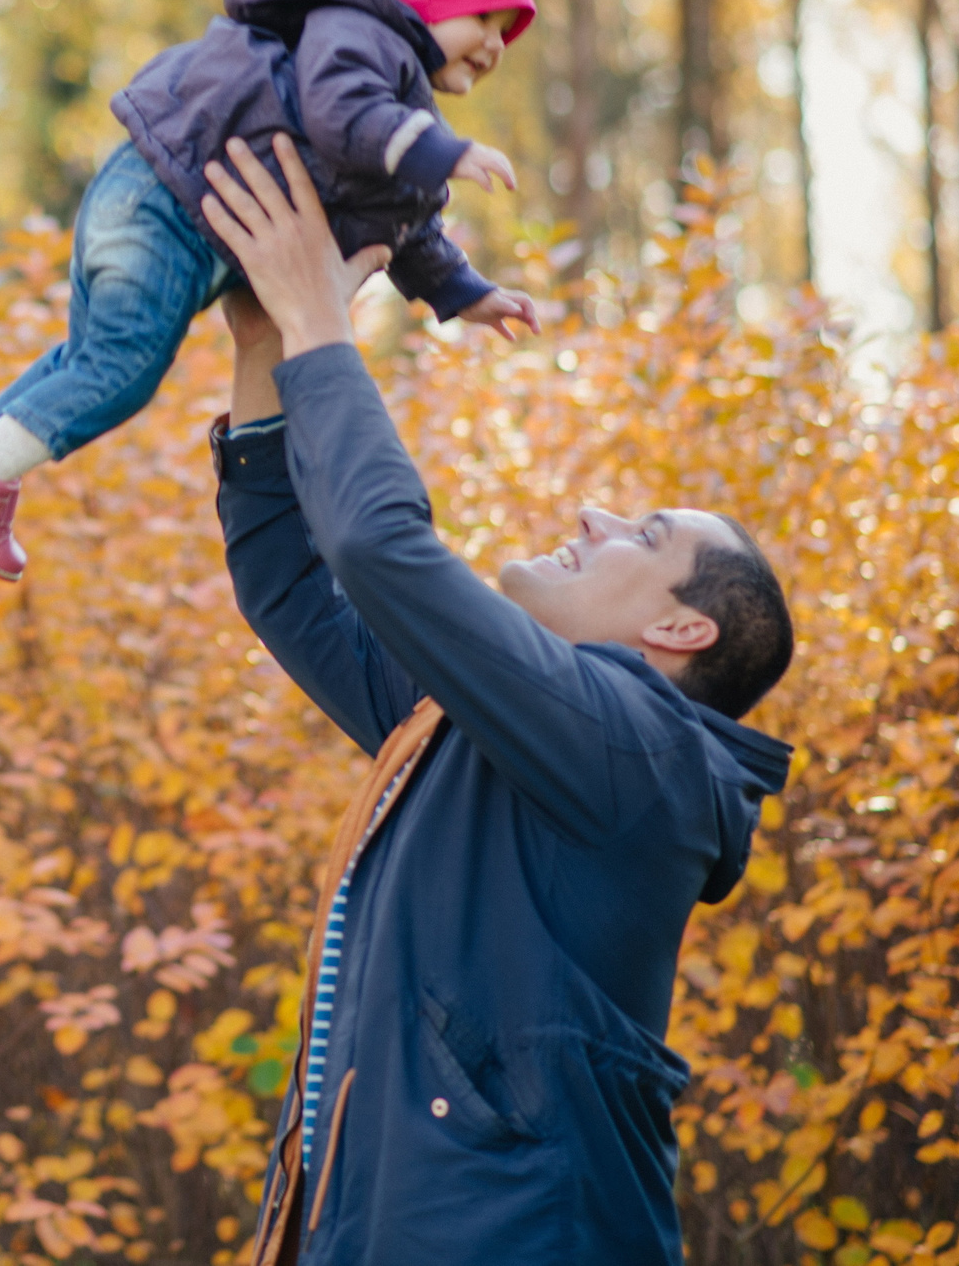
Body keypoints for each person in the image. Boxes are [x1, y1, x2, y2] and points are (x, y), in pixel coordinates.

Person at [197, 135, 795, 1266]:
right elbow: (294, 589)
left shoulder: (644, 757)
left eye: (644, 535)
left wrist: (326, 328)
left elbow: (380, 546)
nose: (593, 520)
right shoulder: (486, 727)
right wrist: (267, 349)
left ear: (680, 629)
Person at [0, 0, 542, 590]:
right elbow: (342, 114)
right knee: (123, 369)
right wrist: (442, 151)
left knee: (92, 358)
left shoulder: (398, 105)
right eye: (483, 16)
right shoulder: (361, 36)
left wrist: (468, 293)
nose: (494, 44)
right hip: (162, 205)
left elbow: (409, 224)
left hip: (159, 206)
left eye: (506, 29)